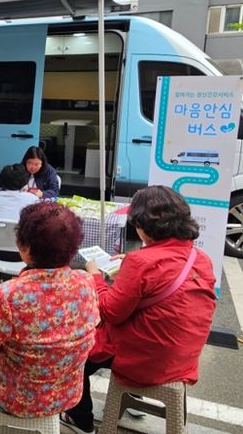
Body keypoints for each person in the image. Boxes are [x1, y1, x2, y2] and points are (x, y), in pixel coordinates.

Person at [61, 185, 217, 434]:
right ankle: (133, 399)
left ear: (144, 225)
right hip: (182, 357)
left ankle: (80, 419)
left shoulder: (141, 262)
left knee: (71, 357)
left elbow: (110, 312)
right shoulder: (200, 258)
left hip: (143, 360)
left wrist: (95, 277)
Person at [0, 201, 99, 433]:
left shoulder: (9, 295)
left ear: (24, 246)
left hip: (16, 399)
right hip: (66, 394)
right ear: (73, 249)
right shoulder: (86, 282)